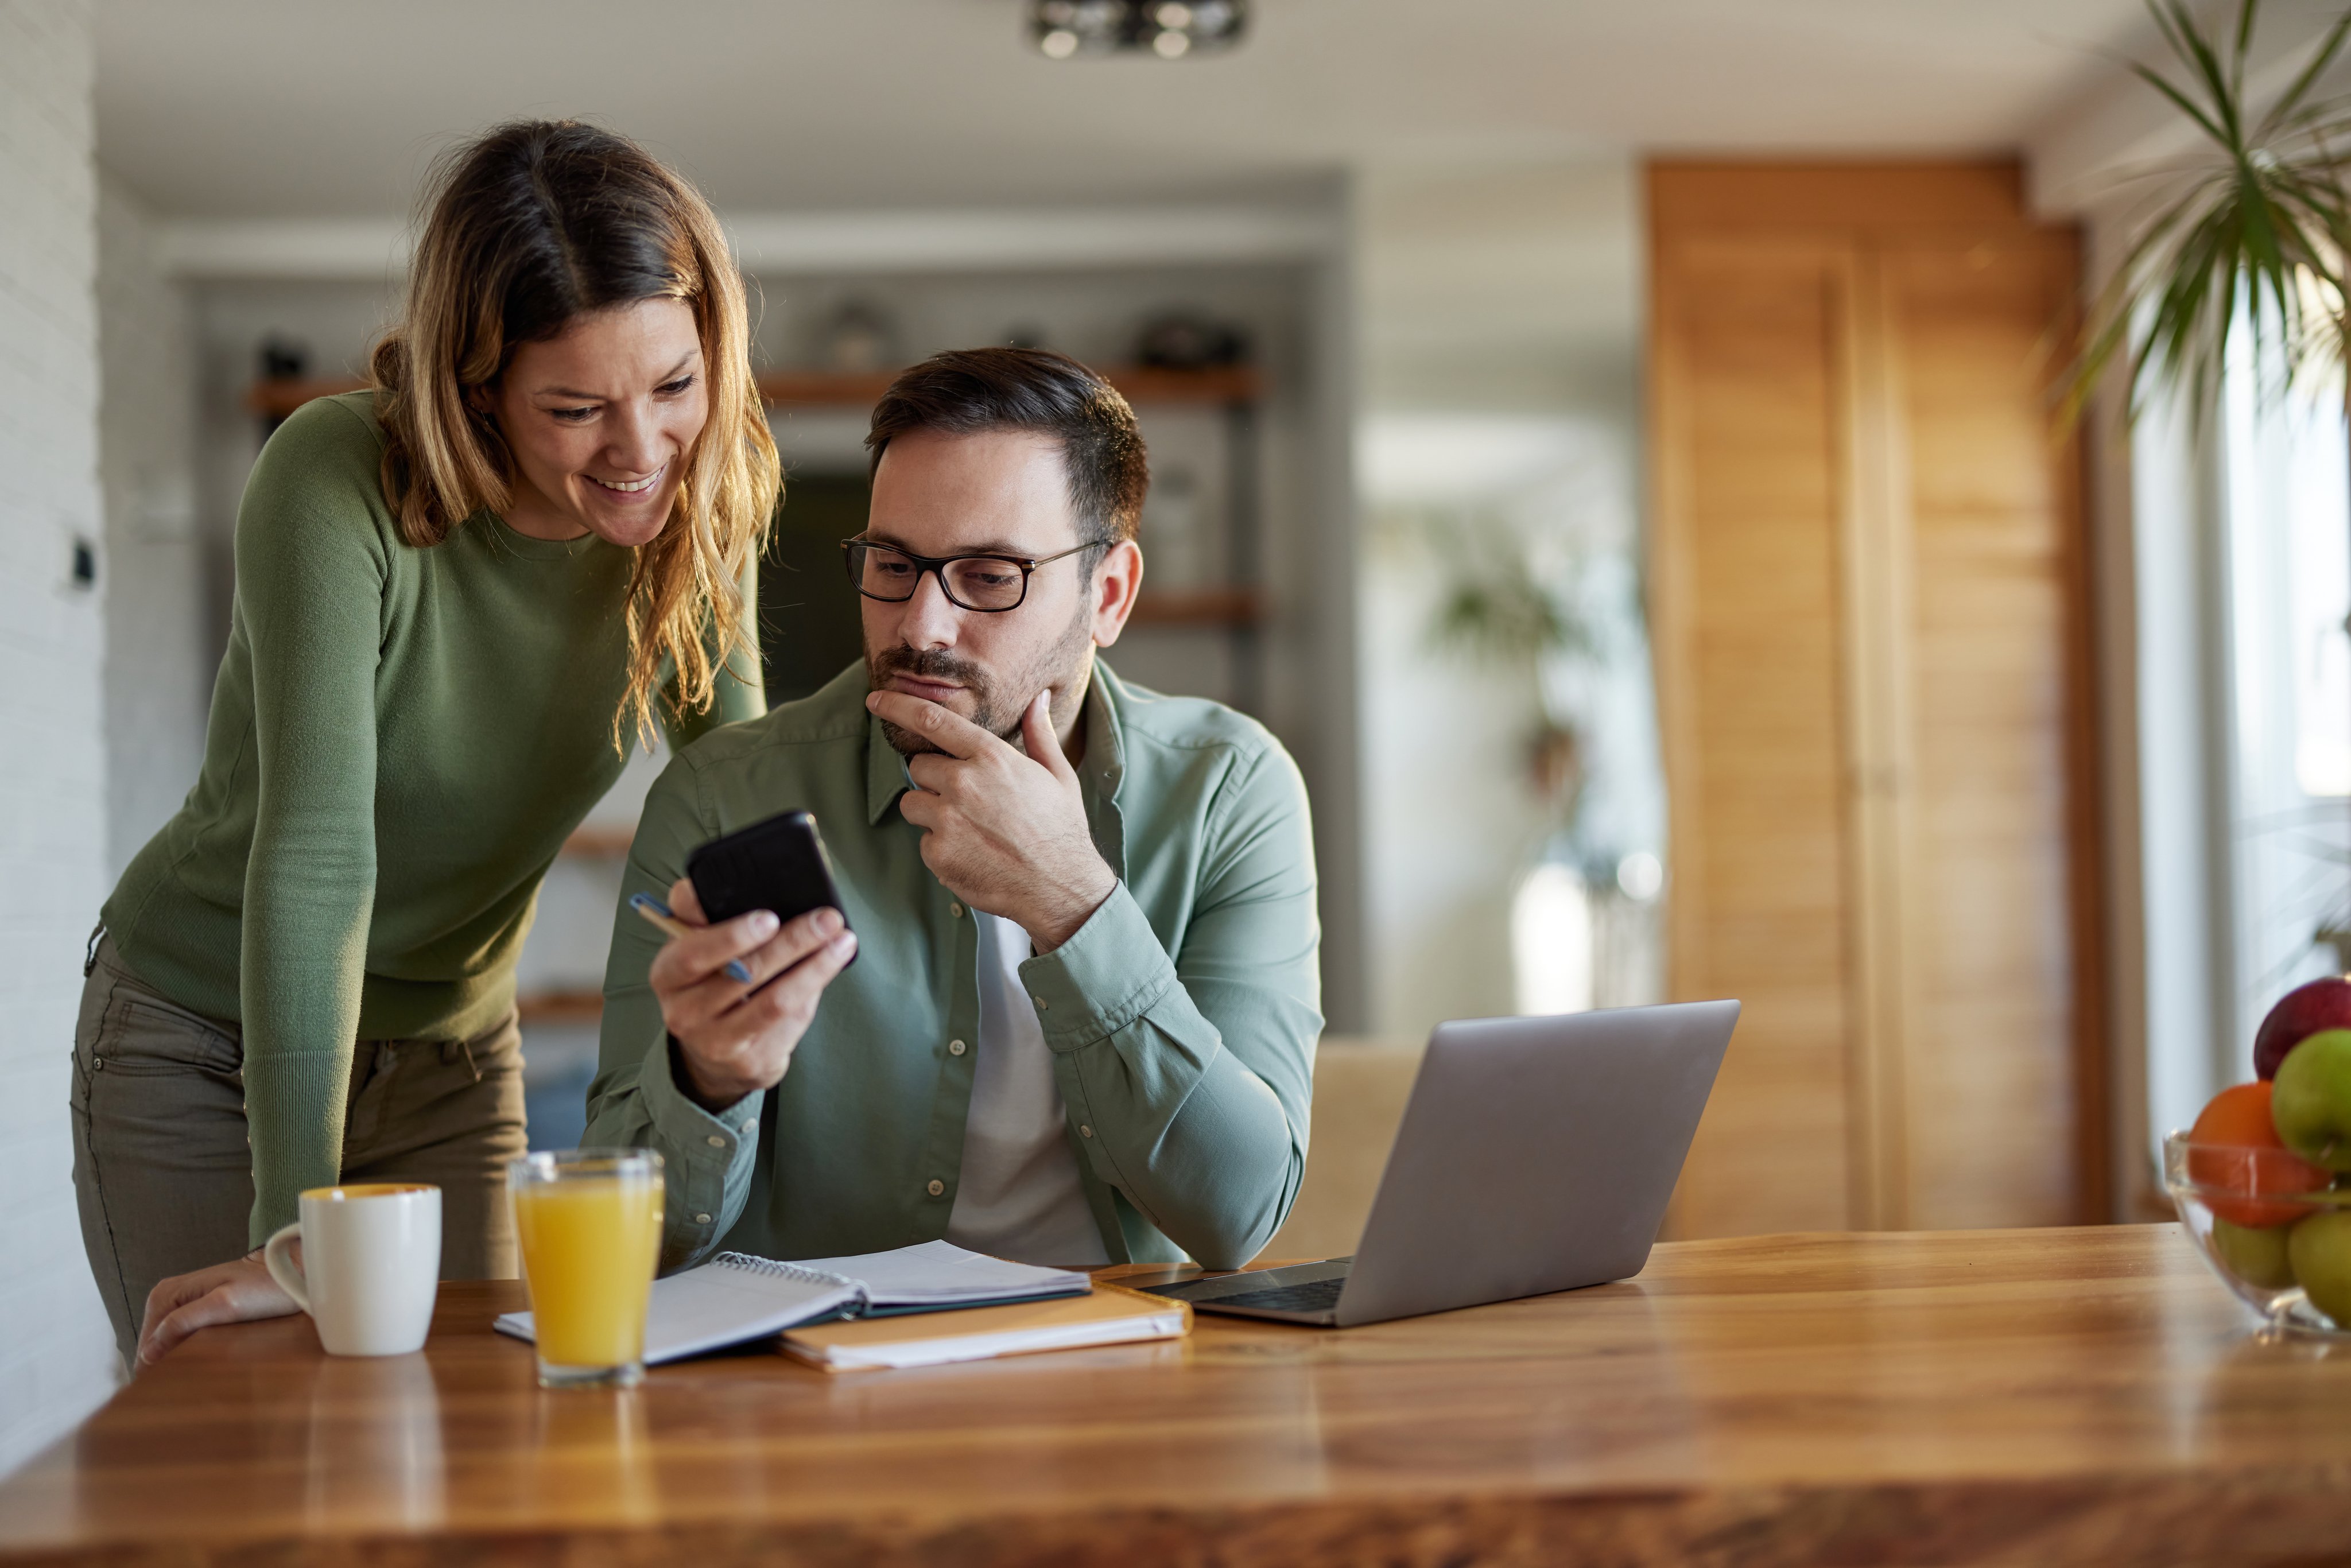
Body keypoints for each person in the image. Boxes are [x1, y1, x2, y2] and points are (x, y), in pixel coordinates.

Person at [75, 119, 779, 1368]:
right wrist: (297, 1235)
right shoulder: (333, 475)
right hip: (211, 1042)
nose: (640, 453)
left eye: (674, 385)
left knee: (480, 1429)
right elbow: (316, 856)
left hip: (454, 1053)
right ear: (475, 386)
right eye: (574, 408)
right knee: (258, 1426)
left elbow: (740, 798)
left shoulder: (695, 500)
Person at [585, 347, 1321, 1271]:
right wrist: (712, 1080)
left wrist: (1075, 906)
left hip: (1121, 1373)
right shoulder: (722, 796)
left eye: (988, 576)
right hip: (822, 1385)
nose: (921, 626)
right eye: (893, 562)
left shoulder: (1228, 790)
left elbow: (1240, 1214)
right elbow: (624, 1248)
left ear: (1110, 595)